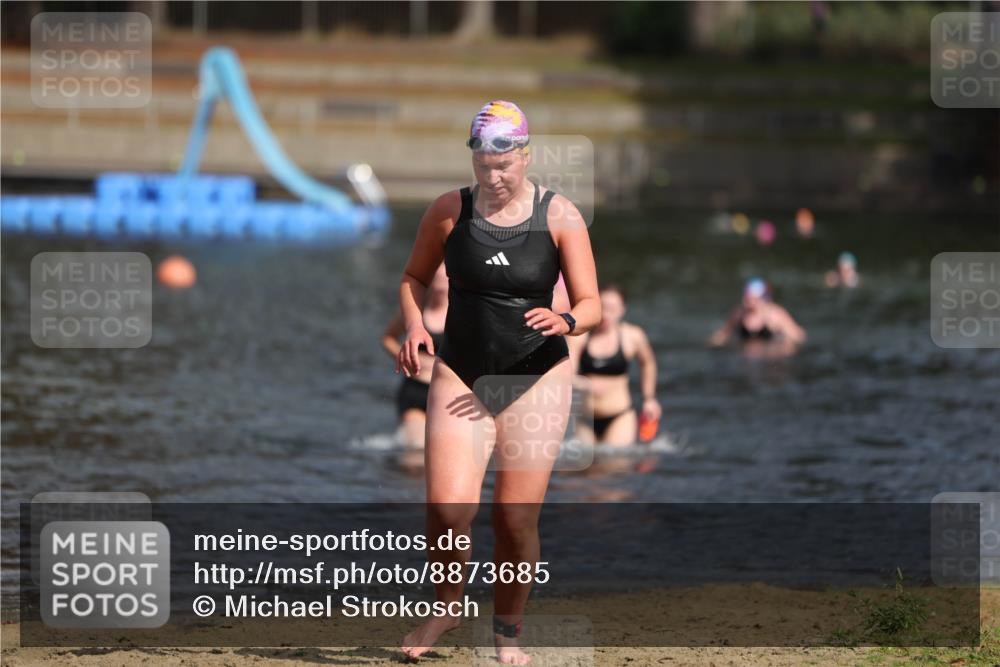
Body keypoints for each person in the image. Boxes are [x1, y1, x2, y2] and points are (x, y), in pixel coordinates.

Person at [395, 100, 599, 664]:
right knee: (448, 509)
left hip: (537, 376)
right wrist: (414, 325)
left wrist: (568, 320)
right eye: (484, 162)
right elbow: (413, 277)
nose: (494, 175)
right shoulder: (447, 211)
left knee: (514, 517)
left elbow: (593, 304)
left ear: (525, 155)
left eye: (504, 162)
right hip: (460, 371)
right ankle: (447, 603)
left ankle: (507, 633)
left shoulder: (560, 216)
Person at [573, 284, 661, 446]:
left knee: (613, 465)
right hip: (585, 418)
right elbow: (565, 375)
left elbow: (648, 363)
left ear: (622, 310)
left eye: (612, 309)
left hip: (619, 415)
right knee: (584, 468)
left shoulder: (633, 336)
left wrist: (649, 398)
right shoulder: (579, 336)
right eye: (603, 308)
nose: (606, 314)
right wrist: (584, 384)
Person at [381, 263, 448, 449]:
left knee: (442, 448)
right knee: (417, 447)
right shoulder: (415, 311)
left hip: (447, 394)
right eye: (438, 276)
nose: (442, 282)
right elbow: (388, 338)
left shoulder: (463, 313)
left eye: (446, 277)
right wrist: (408, 357)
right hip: (415, 391)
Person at [709, 278, 806, 348]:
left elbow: (798, 336)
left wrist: (783, 348)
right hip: (746, 356)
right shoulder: (739, 313)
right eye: (746, 298)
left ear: (762, 299)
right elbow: (723, 334)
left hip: (769, 356)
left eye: (752, 299)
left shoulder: (775, 315)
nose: (747, 302)